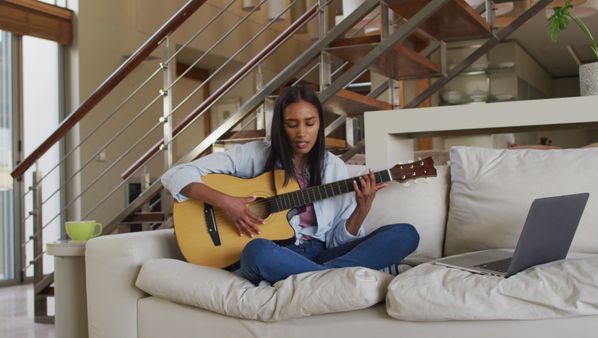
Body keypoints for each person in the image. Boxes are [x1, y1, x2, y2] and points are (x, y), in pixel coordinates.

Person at [161, 86, 419, 285]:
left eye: (310, 123)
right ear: (280, 126)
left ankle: (321, 279)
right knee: (256, 251)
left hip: (319, 254)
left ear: (320, 123)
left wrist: (361, 209)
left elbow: (335, 240)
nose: (302, 133)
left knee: (405, 234)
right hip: (276, 253)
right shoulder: (256, 154)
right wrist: (226, 202)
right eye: (292, 124)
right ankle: (338, 280)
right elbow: (177, 174)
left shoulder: (334, 168)